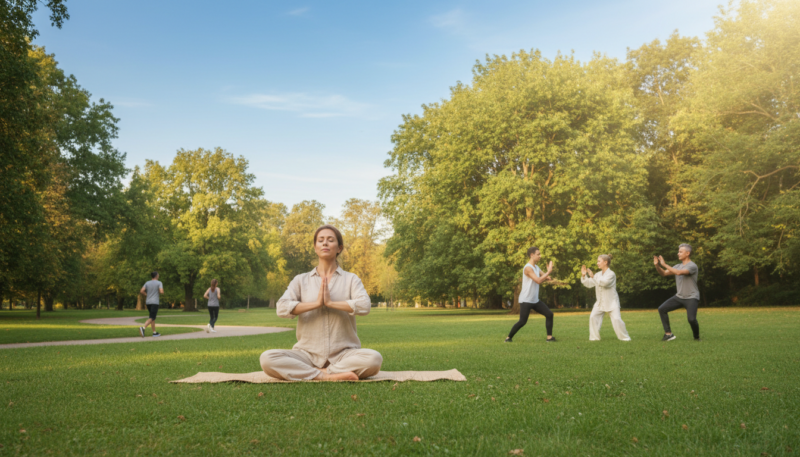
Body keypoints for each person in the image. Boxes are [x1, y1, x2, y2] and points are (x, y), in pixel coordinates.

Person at [260, 225, 383, 381]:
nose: (325, 243)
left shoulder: (351, 279)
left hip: (344, 355)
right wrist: (316, 304)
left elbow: (365, 306)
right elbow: (281, 308)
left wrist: (331, 303)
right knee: (267, 358)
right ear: (315, 247)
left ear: (339, 248)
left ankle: (315, 373)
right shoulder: (301, 280)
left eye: (330, 240)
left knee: (374, 359)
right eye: (320, 240)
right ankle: (327, 375)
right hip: (306, 354)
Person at [505, 247, 556, 343]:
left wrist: (549, 276)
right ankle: (508, 338)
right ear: (532, 255)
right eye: (538, 254)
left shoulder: (537, 267)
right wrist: (548, 272)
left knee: (549, 314)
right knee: (522, 321)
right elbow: (538, 280)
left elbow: (545, 277)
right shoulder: (528, 268)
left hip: (535, 300)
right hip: (526, 300)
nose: (540, 256)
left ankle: (549, 337)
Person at [654, 244, 701, 341]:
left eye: (680, 252)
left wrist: (664, 264)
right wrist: (657, 265)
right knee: (662, 309)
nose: (678, 253)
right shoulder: (677, 266)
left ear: (687, 253)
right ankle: (668, 334)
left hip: (691, 297)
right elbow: (664, 273)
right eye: (678, 251)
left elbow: (679, 273)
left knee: (691, 319)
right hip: (679, 297)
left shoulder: (692, 266)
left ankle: (696, 337)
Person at [582, 254, 631, 341]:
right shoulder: (598, 274)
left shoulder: (611, 274)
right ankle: (594, 338)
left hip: (611, 302)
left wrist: (593, 276)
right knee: (593, 317)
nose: (597, 263)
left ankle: (625, 338)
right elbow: (589, 283)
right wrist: (583, 276)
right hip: (600, 302)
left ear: (605, 262)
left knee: (617, 319)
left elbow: (605, 283)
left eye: (599, 261)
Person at [139, 271, 163, 337]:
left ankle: (154, 333)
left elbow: (141, 291)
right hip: (155, 302)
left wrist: (147, 294)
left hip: (148, 302)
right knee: (152, 317)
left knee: (152, 318)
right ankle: (143, 328)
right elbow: (161, 291)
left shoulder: (147, 282)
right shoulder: (159, 283)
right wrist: (161, 292)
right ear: (157, 276)